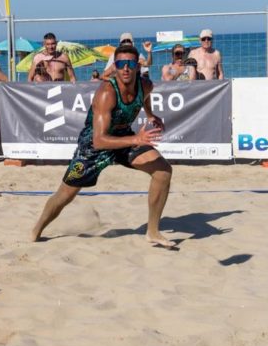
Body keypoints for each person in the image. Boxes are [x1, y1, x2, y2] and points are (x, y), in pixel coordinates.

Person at [30, 44, 174, 247]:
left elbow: (145, 97)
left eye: (130, 64)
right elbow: (99, 140)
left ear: (137, 66)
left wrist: (150, 115)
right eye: (121, 64)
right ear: (114, 66)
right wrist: (136, 139)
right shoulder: (106, 93)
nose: (125, 68)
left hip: (123, 138)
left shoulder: (146, 85)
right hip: (93, 147)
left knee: (163, 172)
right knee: (65, 194)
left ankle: (152, 231)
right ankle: (37, 229)